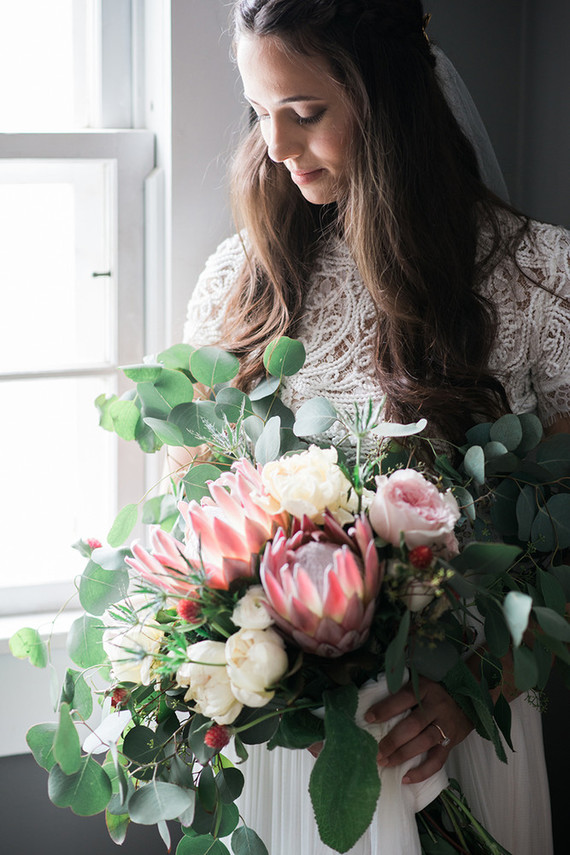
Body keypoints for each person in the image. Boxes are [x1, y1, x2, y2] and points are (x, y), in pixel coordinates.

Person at [182, 1, 570, 852]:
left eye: (305, 112)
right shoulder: (242, 283)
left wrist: (480, 686)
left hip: (452, 721)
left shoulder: (538, 280)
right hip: (292, 746)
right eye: (259, 112)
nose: (276, 147)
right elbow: (194, 517)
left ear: (387, 94)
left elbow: (564, 546)